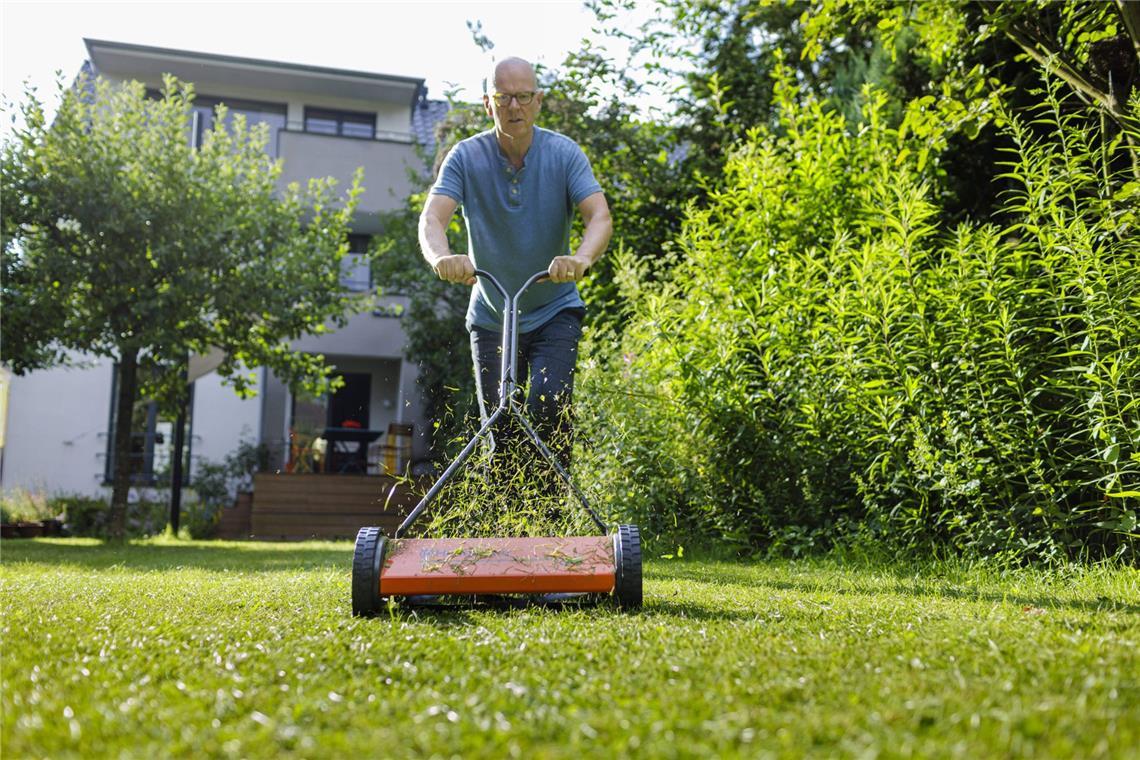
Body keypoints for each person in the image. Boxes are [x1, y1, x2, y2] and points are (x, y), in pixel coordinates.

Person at [418, 56, 612, 481]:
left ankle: (553, 532)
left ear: (538, 101)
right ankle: (508, 536)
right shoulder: (465, 157)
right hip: (491, 316)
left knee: (548, 407)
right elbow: (432, 218)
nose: (514, 107)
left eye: (523, 97)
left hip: (553, 308)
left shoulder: (564, 154)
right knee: (500, 430)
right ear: (488, 103)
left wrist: (580, 258)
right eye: (503, 97)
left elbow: (599, 216)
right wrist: (442, 257)